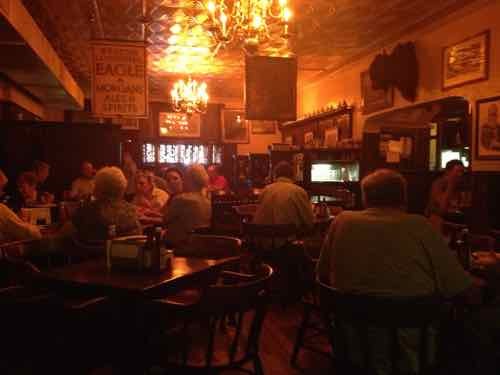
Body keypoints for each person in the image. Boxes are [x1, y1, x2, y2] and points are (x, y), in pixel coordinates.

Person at [317, 169, 474, 374]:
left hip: (351, 344)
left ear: (365, 198)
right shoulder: (420, 226)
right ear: (403, 198)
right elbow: (459, 287)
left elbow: (322, 274)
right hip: (410, 351)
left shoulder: (341, 221)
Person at [62, 166, 141, 243]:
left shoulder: (87, 210)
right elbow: (139, 236)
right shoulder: (131, 211)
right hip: (122, 255)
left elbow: (64, 233)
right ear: (122, 188)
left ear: (98, 188)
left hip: (89, 255)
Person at [253, 161, 314, 233]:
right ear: (293, 176)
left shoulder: (265, 190)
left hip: (261, 240)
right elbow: (309, 221)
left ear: (275, 175)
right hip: (288, 241)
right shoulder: (298, 191)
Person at [164, 164, 211, 248]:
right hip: (202, 245)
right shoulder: (208, 201)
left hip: (180, 246)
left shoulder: (181, 199)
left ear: (189, 180)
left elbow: (165, 219)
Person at [0, 169, 41, 241]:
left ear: (33, 186)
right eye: (0, 188)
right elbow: (30, 233)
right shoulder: (11, 201)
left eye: (22, 187)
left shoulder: (27, 200)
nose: (2, 193)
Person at [426, 159, 465, 231]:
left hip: (451, 220)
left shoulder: (459, 186)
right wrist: (450, 185)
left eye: (462, 172)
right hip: (437, 220)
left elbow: (459, 206)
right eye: (457, 171)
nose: (460, 174)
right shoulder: (438, 184)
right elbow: (442, 209)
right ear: (447, 172)